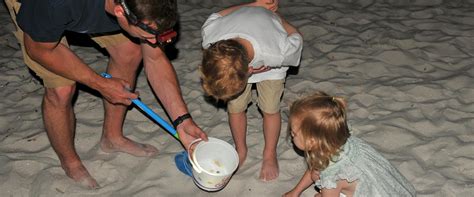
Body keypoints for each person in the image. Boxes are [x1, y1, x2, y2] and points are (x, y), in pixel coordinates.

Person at [4, 0, 207, 189]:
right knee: (61, 89)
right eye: (151, 33)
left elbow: (154, 58)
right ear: (119, 11)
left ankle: (112, 137)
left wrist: (182, 120)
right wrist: (100, 84)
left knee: (131, 50)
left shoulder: (140, 7)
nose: (156, 41)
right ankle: (70, 161)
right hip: (42, 10)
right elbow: (38, 49)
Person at [199, 0, 303, 181]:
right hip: (243, 46)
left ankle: (269, 154)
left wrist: (277, 19)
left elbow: (296, 37)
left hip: (271, 67)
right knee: (235, 108)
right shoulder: (210, 38)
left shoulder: (278, 53)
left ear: (249, 71)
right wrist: (254, 5)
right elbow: (216, 16)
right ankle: (241, 148)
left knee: (270, 108)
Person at [283, 91, 416, 197]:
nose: (291, 135)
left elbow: (323, 177)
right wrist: (295, 192)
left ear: (312, 142)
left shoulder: (333, 178)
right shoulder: (334, 141)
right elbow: (315, 168)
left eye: (294, 133)